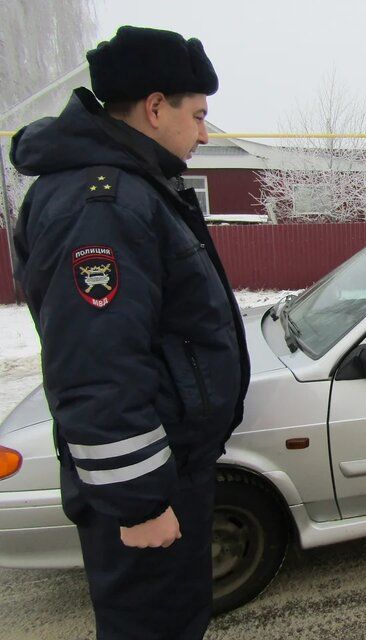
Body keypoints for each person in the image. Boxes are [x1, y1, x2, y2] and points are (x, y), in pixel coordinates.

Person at [10, 26, 250, 639]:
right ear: (153, 107)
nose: (203, 132)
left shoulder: (132, 187)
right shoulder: (106, 203)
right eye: (197, 115)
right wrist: (141, 502)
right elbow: (96, 364)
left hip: (169, 472)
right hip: (146, 489)